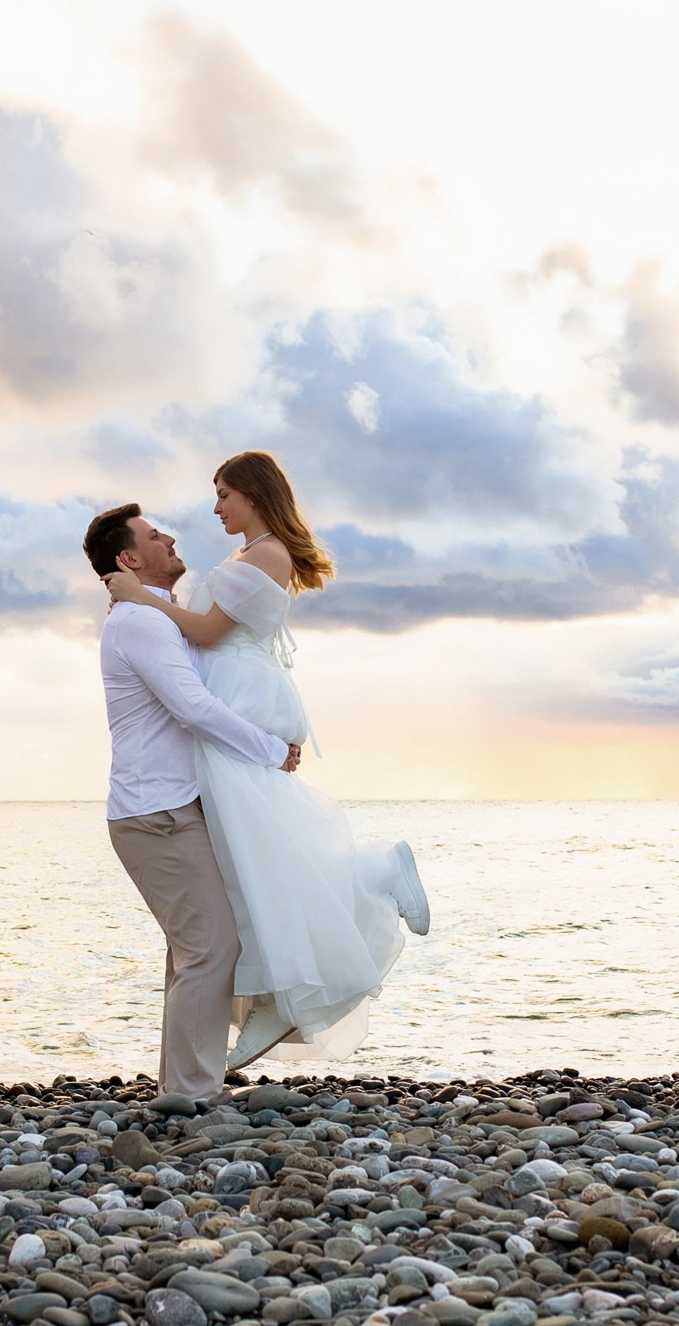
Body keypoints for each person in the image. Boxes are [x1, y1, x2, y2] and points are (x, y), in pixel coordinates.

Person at [102, 450, 429, 1071]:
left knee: (266, 844)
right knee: (256, 856)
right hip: (231, 694)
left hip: (240, 695)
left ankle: (376, 875)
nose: (216, 507)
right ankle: (277, 994)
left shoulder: (268, 553)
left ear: (254, 493)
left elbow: (205, 633)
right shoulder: (247, 555)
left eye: (224, 493)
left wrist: (142, 598)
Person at [88, 501, 304, 1100]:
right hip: (155, 812)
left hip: (176, 806)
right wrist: (271, 749)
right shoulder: (140, 622)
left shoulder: (159, 616)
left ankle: (184, 1083)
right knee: (210, 946)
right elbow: (193, 708)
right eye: (154, 535)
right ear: (129, 558)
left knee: (196, 948)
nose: (170, 538)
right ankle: (191, 1091)